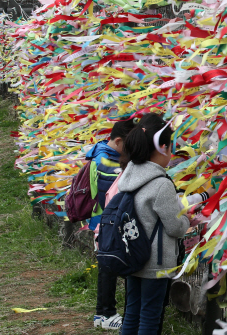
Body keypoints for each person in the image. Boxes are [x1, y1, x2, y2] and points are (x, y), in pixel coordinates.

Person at [117, 113, 192, 335]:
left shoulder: (128, 177)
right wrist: (187, 219)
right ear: (161, 148)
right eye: (170, 148)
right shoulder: (161, 184)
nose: (171, 154)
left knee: (132, 313)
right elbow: (176, 226)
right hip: (155, 264)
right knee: (150, 316)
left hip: (133, 255)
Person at [89, 118, 136, 331]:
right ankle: (106, 313)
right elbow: (117, 191)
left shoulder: (100, 153)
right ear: (118, 141)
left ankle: (102, 312)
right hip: (106, 225)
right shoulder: (106, 161)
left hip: (102, 223)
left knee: (106, 269)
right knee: (108, 269)